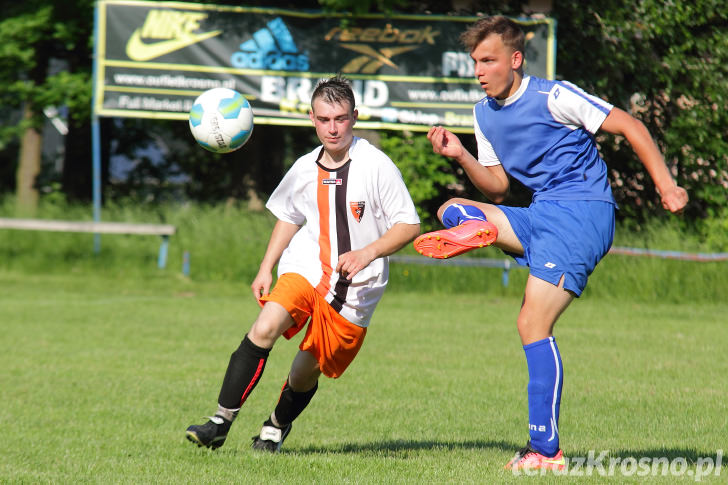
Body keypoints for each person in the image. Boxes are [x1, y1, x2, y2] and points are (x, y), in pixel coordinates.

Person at [413, 16, 688, 471]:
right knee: (452, 208)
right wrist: (460, 153)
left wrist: (666, 185)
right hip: (540, 214)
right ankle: (474, 231)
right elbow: (498, 187)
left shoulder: (553, 95)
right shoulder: (483, 115)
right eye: (475, 62)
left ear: (515, 59)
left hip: (582, 212)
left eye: (489, 60)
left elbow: (631, 126)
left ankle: (546, 452)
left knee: (531, 324)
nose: (479, 70)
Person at [185, 75, 420, 452]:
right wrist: (266, 267)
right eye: (324, 119)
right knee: (264, 327)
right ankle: (219, 422)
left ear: (354, 117)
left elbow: (409, 224)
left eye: (340, 118)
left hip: (355, 289)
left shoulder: (377, 166)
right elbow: (289, 216)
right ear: (312, 118)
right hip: (306, 265)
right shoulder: (304, 166)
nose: (332, 128)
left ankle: (276, 426)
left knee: (303, 371)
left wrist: (367, 252)